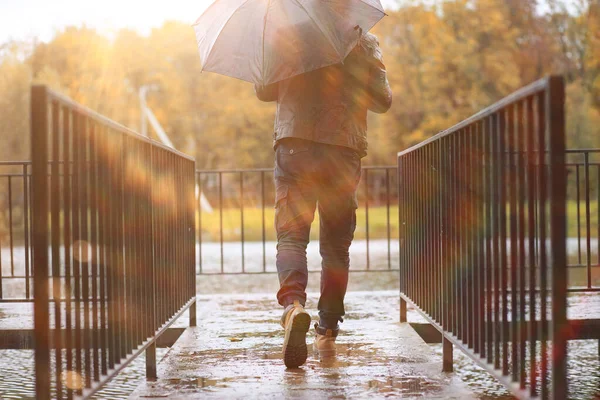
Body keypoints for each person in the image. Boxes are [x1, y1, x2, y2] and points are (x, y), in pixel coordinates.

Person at [255, 31, 392, 368]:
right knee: (334, 247)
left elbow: (263, 90)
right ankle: (327, 333)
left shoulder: (285, 33)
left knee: (291, 236)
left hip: (294, 144)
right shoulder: (361, 39)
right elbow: (383, 100)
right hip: (342, 149)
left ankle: (292, 307)